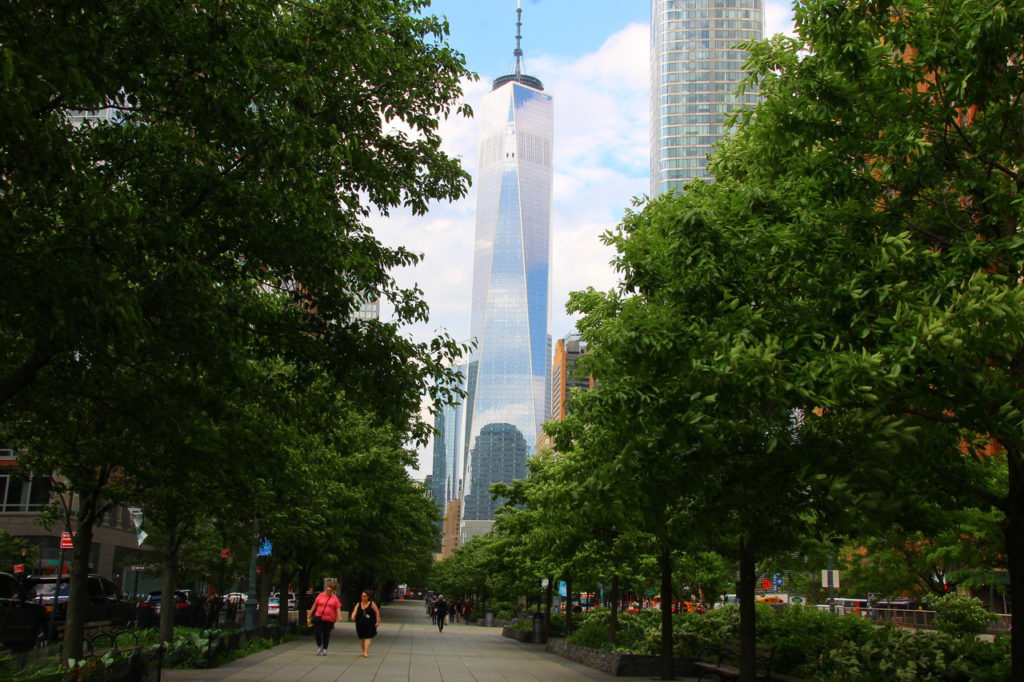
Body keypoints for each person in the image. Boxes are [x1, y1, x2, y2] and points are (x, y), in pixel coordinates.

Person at [308, 582, 342, 656]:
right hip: (318, 617)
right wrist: (310, 614)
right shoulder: (320, 595)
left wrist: (339, 616)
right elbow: (315, 605)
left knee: (326, 634)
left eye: (330, 590)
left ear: (332, 591)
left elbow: (338, 608)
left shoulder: (335, 598)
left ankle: (325, 649)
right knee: (317, 632)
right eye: (327, 590)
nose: (328, 592)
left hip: (329, 619)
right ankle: (319, 646)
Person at [350, 590, 382, 658]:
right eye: (362, 596)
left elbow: (377, 612)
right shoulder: (358, 604)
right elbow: (355, 611)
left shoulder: (372, 604)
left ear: (368, 597)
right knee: (361, 638)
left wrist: (377, 621)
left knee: (368, 637)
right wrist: (353, 616)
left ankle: (366, 652)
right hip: (360, 623)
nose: (363, 597)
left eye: (365, 596)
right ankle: (363, 650)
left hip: (370, 623)